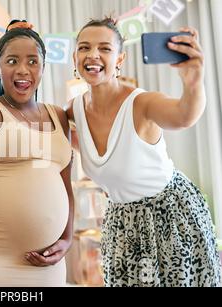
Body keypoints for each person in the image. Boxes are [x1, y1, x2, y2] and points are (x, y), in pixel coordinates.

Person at [66, 17, 221, 287]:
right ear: (74, 56)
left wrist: (194, 81)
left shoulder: (141, 102)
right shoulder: (73, 111)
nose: (93, 55)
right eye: (84, 47)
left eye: (104, 48)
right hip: (121, 223)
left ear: (120, 59)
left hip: (170, 215)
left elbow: (184, 115)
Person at [0, 20, 74, 287]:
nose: (22, 70)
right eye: (12, 61)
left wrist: (67, 239)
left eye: (33, 61)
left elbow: (67, 187)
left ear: (43, 67)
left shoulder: (59, 116)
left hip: (49, 265)